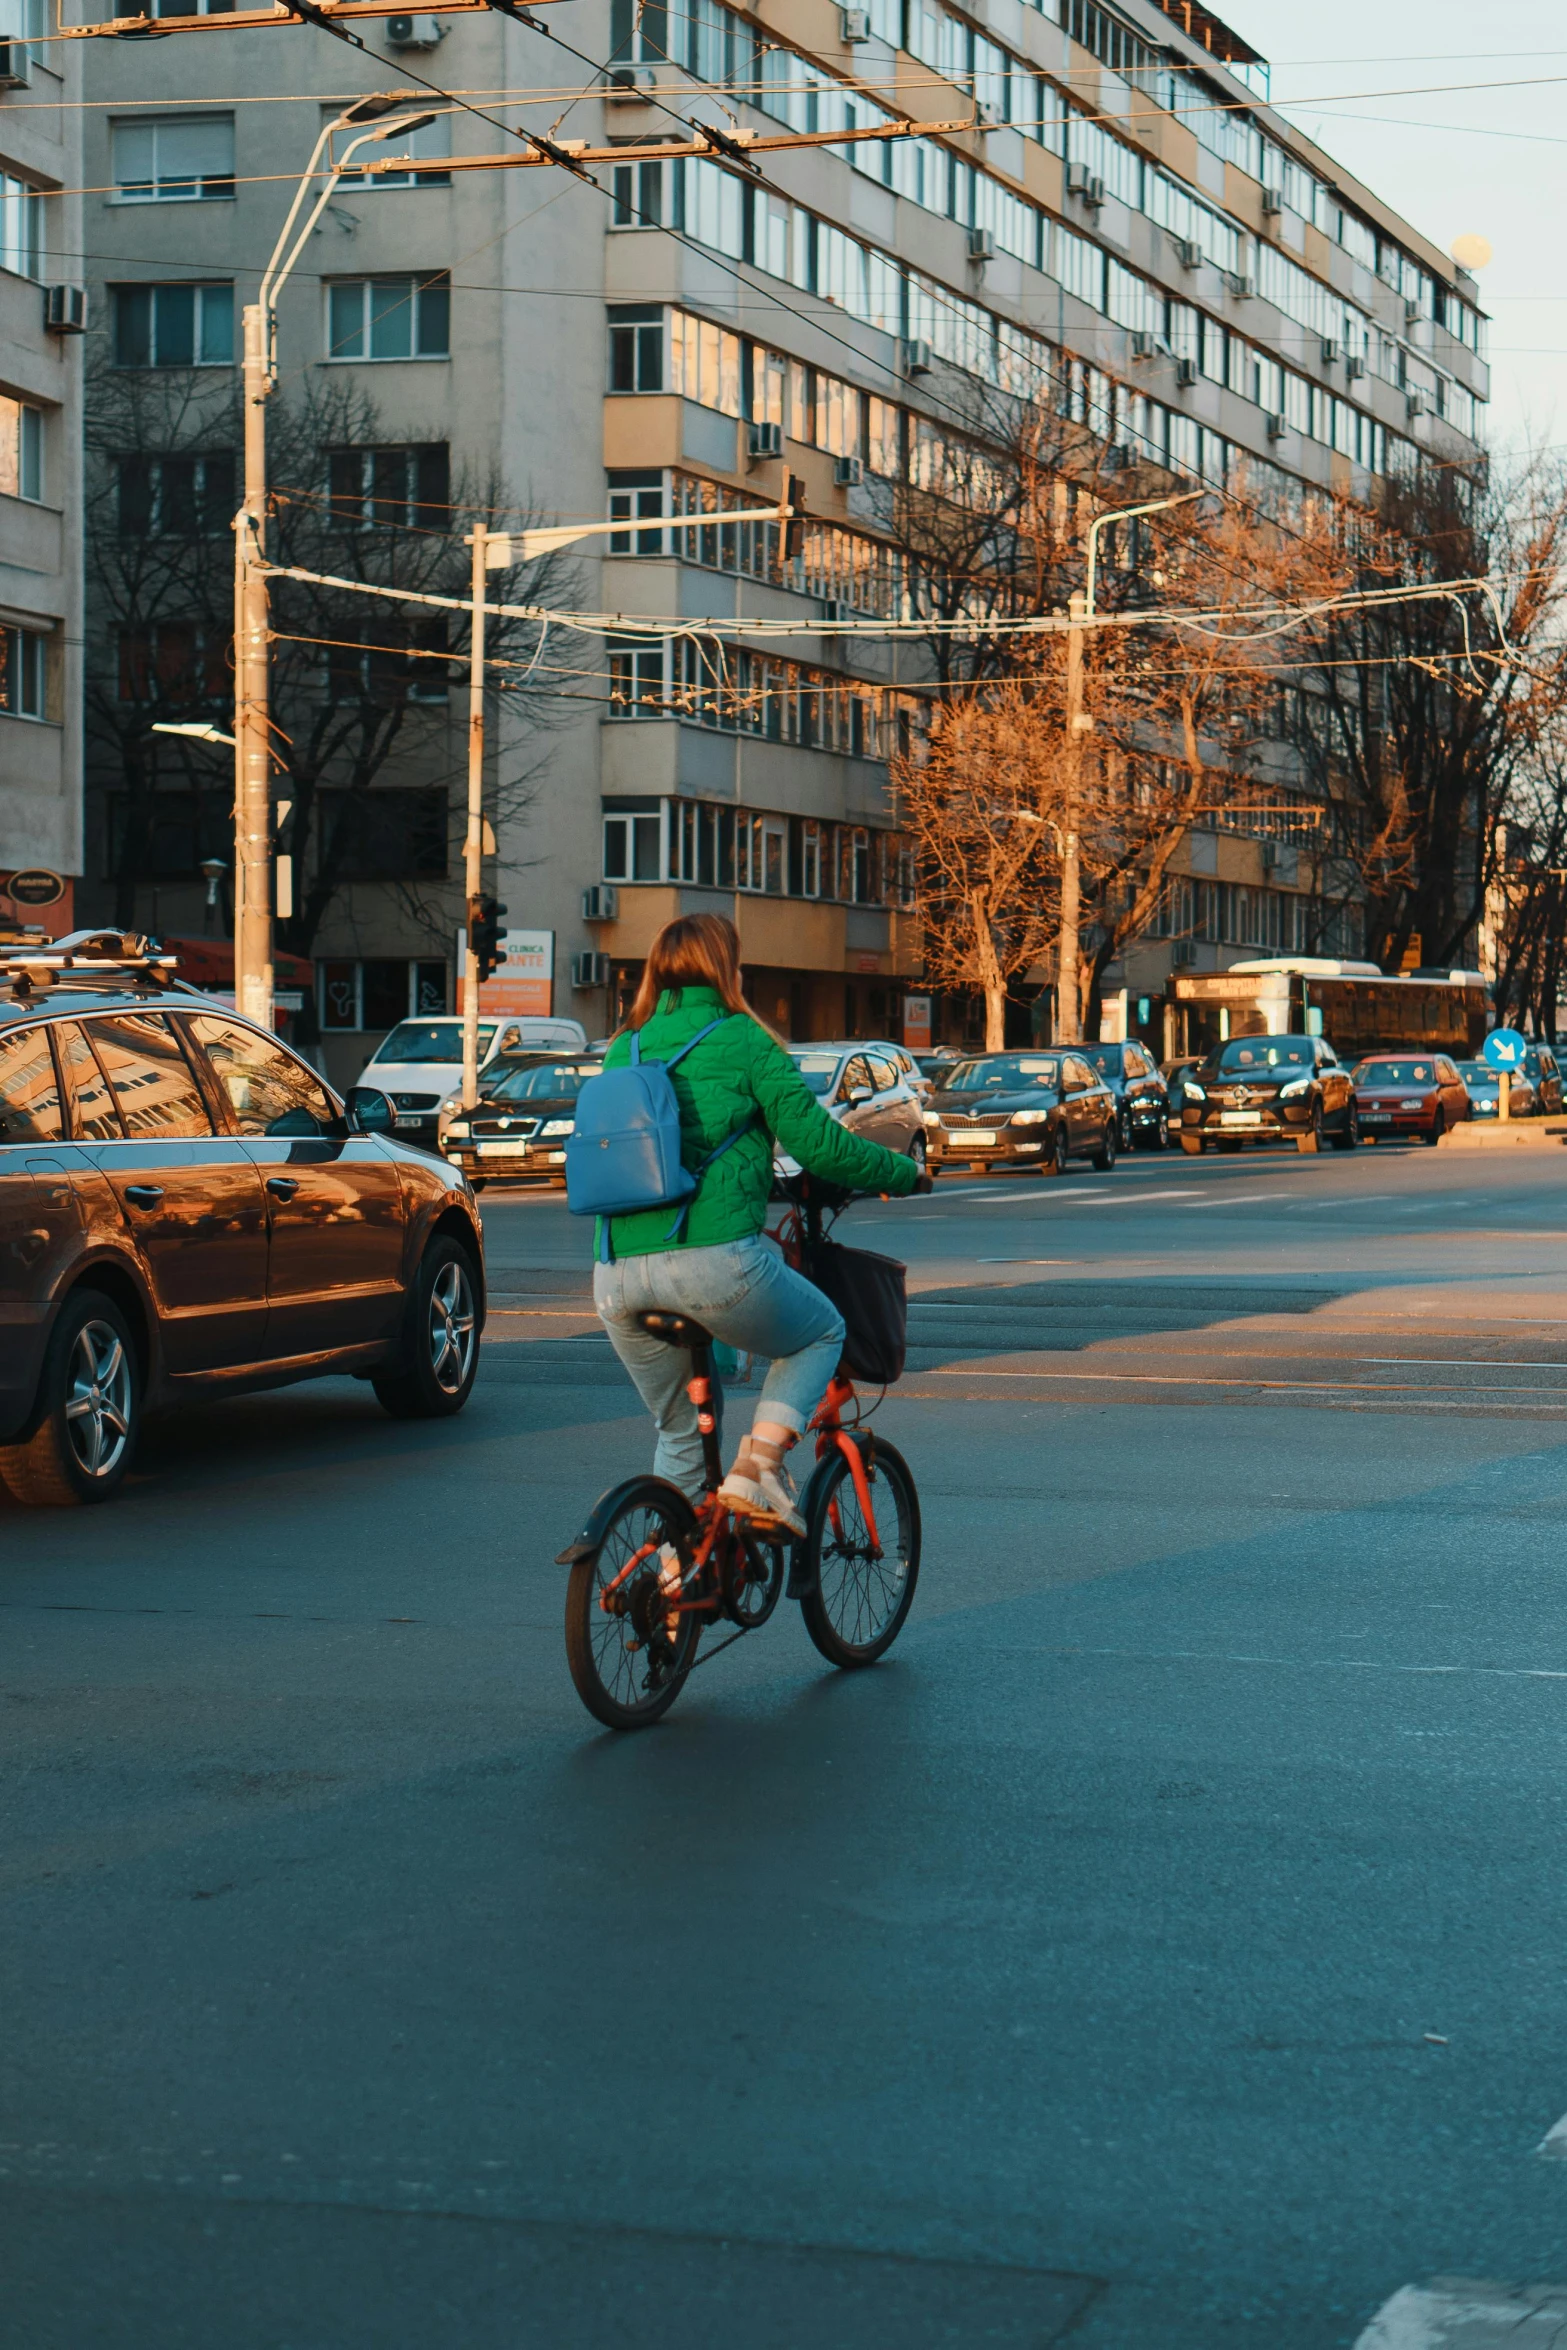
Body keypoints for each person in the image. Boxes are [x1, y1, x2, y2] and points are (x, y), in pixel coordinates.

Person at [593, 913, 924, 1537]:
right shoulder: (744, 1040)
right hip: (711, 1264)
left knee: (680, 1432)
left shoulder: (623, 1045)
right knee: (822, 1331)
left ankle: (671, 1580)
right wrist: (902, 1171)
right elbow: (819, 1144)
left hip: (615, 1276)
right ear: (725, 969)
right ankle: (760, 1469)